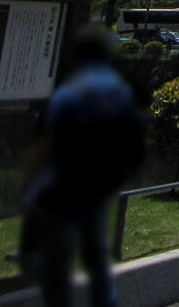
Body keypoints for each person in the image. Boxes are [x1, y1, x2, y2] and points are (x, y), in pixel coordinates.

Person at [20, 26, 145, 307]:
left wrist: (30, 184)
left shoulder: (70, 92)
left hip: (65, 182)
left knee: (59, 257)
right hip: (101, 180)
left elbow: (47, 143)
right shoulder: (119, 90)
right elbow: (135, 135)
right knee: (96, 252)